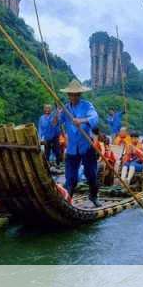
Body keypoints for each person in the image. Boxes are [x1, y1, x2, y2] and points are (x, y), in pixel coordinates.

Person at [53, 79, 101, 207]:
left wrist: (82, 121)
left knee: (91, 174)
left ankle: (93, 196)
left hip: (86, 145)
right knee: (71, 176)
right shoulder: (65, 108)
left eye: (76, 94)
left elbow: (95, 119)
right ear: (68, 95)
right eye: (71, 94)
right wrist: (57, 115)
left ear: (80, 94)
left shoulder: (87, 106)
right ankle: (68, 198)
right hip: (72, 147)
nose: (73, 97)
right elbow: (55, 124)